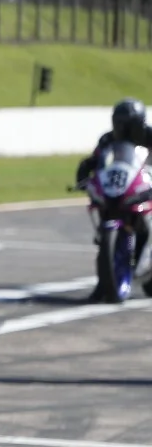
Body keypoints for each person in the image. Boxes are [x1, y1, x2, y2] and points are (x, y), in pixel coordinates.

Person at [77, 98, 152, 298]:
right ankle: (105, 282)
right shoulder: (107, 140)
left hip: (146, 184)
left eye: (128, 124)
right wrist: (83, 178)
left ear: (139, 123)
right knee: (104, 233)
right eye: (119, 123)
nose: (123, 128)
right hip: (119, 186)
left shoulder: (150, 136)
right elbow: (94, 161)